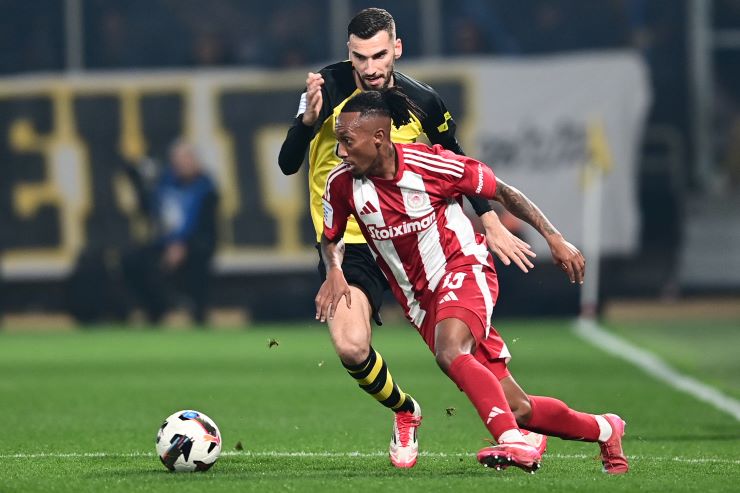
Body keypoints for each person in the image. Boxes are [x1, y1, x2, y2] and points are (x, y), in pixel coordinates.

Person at [316, 88, 629, 475]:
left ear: (379, 137)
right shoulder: (341, 184)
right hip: (421, 303)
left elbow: (504, 192)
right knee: (517, 407)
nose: (340, 152)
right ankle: (605, 429)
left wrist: (553, 237)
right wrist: (334, 270)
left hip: (463, 268)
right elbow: (331, 238)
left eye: (347, 141)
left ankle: (514, 441)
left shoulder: (432, 165)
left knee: (450, 351)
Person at [278, 7, 537, 468]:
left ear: (396, 49)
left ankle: (527, 423)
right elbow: (287, 163)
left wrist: (489, 219)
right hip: (351, 242)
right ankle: (405, 410)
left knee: (464, 353)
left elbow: (456, 160)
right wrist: (306, 122)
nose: (370, 67)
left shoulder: (424, 101)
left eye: (379, 55)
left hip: (416, 241)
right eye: (360, 57)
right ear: (349, 54)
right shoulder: (325, 89)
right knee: (351, 347)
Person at [122, 139, 218, 325]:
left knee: (199, 259)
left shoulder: (206, 188)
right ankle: (155, 309)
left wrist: (182, 245)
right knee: (132, 260)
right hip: (164, 244)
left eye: (186, 159)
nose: (181, 165)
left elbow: (205, 226)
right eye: (177, 160)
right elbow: (148, 210)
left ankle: (198, 312)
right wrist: (136, 178)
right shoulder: (164, 186)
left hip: (195, 245)